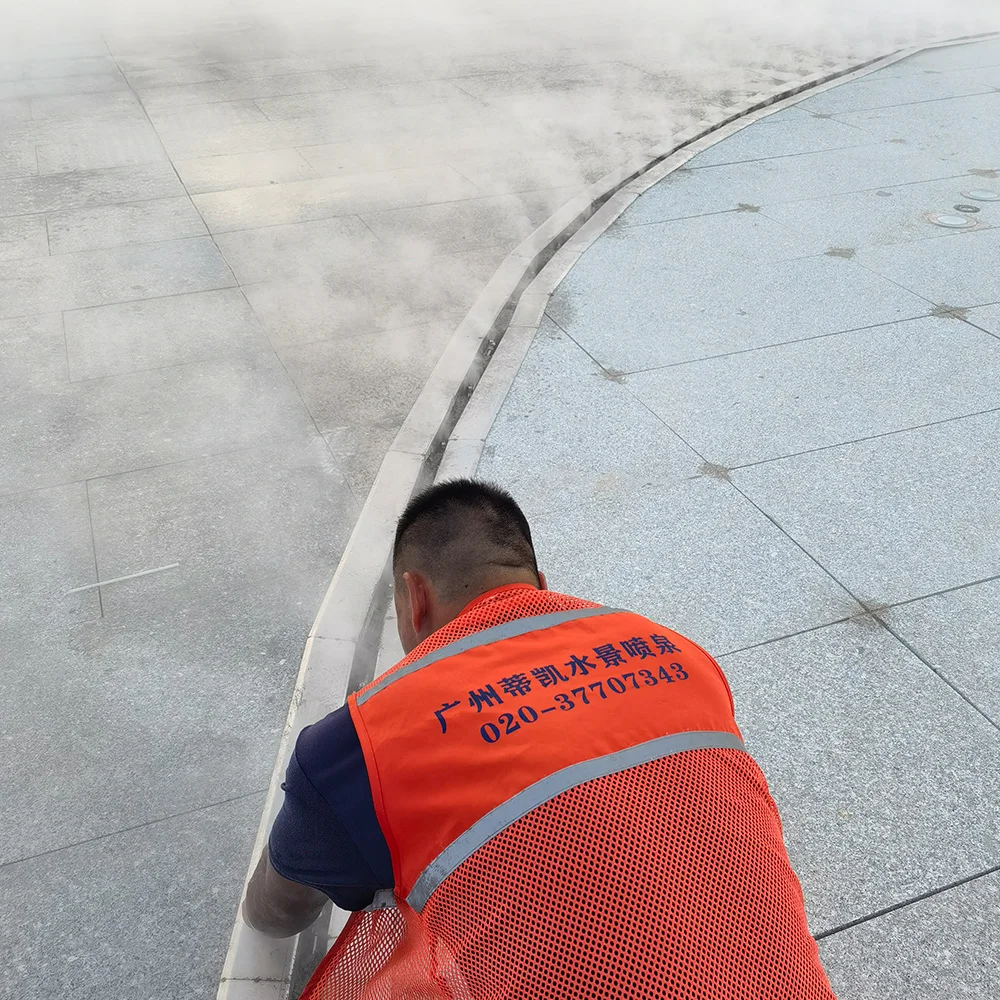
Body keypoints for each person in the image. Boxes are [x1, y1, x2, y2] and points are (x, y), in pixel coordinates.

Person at [244, 479, 836, 999]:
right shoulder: (674, 650)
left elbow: (277, 914)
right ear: (539, 585)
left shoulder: (358, 746)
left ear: (414, 596)